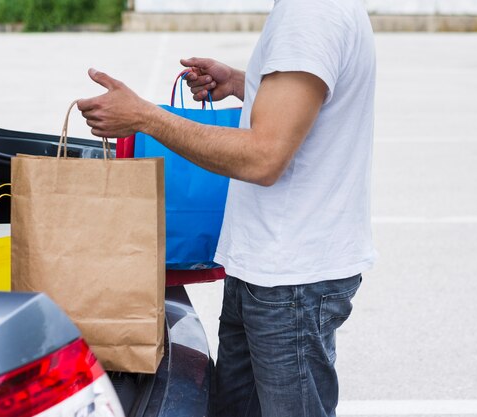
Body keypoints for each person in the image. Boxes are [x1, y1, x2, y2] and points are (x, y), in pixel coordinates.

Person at [77, 0, 376, 415]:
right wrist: (243, 82)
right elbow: (302, 102)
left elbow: (264, 156)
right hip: (271, 270)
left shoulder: (311, 13)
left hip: (289, 280)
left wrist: (146, 118)